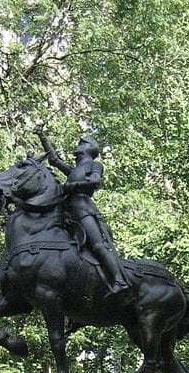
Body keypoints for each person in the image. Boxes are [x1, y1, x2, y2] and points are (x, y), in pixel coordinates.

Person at [33, 125, 131, 301]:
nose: (76, 147)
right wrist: (42, 137)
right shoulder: (73, 171)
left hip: (83, 209)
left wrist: (72, 186)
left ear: (88, 147)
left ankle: (119, 281)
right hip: (67, 213)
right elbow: (54, 160)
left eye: (80, 144)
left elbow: (94, 182)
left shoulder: (94, 165)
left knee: (98, 245)